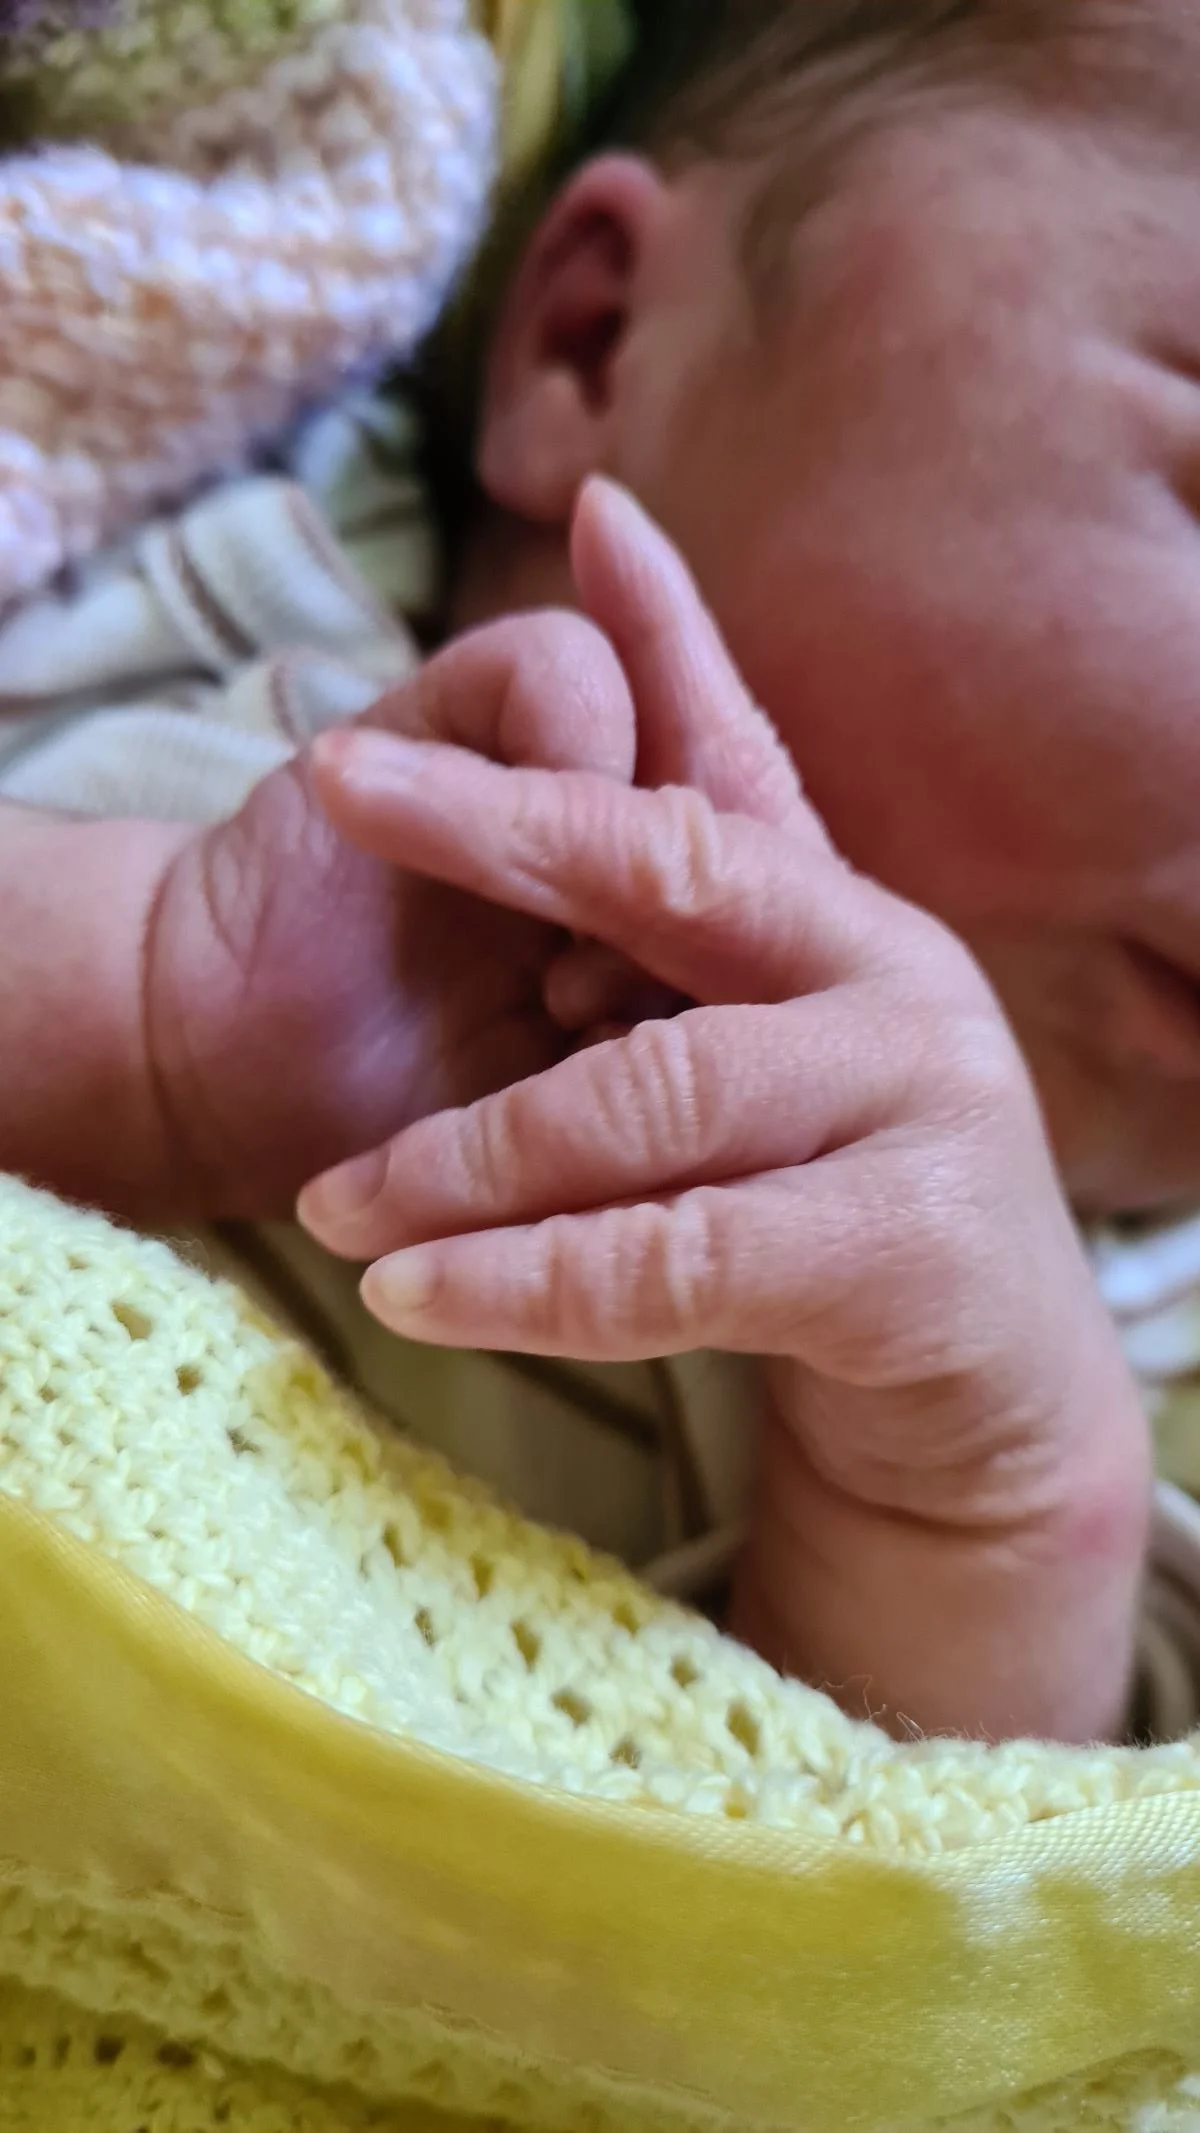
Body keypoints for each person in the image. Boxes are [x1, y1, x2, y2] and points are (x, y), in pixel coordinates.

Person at [4, 0, 1198, 1744]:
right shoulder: (175, 591)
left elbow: (910, 1963)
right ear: (593, 341)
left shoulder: (1132, 1361)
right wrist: (131, 1010)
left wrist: (993, 1515)